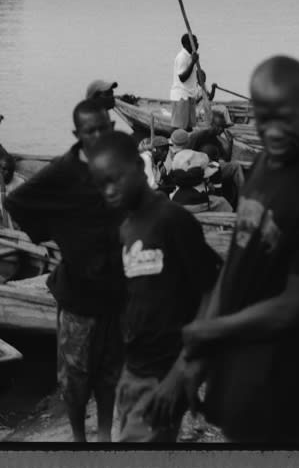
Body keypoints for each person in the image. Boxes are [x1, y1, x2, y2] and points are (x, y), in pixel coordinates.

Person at [147, 56, 299, 444]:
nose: (273, 130)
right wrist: (189, 365)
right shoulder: (264, 165)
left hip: (289, 387)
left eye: (285, 116)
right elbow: (235, 268)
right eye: (264, 117)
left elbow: (296, 304)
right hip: (240, 377)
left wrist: (211, 331)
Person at [88, 132, 223, 443]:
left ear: (139, 167)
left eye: (116, 178)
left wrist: (182, 372)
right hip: (132, 371)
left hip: (164, 372)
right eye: (102, 183)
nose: (109, 190)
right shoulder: (126, 227)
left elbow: (212, 291)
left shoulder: (172, 220)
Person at [5, 99, 125, 443]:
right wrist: (57, 233)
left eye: (104, 129)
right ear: (78, 134)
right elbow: (17, 202)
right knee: (75, 381)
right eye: (90, 131)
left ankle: (105, 436)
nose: (98, 136)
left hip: (115, 295)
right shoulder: (63, 171)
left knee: (110, 375)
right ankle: (79, 439)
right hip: (78, 298)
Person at [169, 34, 215, 131]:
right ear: (187, 44)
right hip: (181, 96)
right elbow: (182, 78)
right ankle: (175, 140)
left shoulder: (190, 56)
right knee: (179, 127)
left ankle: (188, 140)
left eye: (197, 42)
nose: (197, 44)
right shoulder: (182, 57)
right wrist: (193, 62)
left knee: (189, 127)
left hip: (190, 95)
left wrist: (193, 60)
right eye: (195, 42)